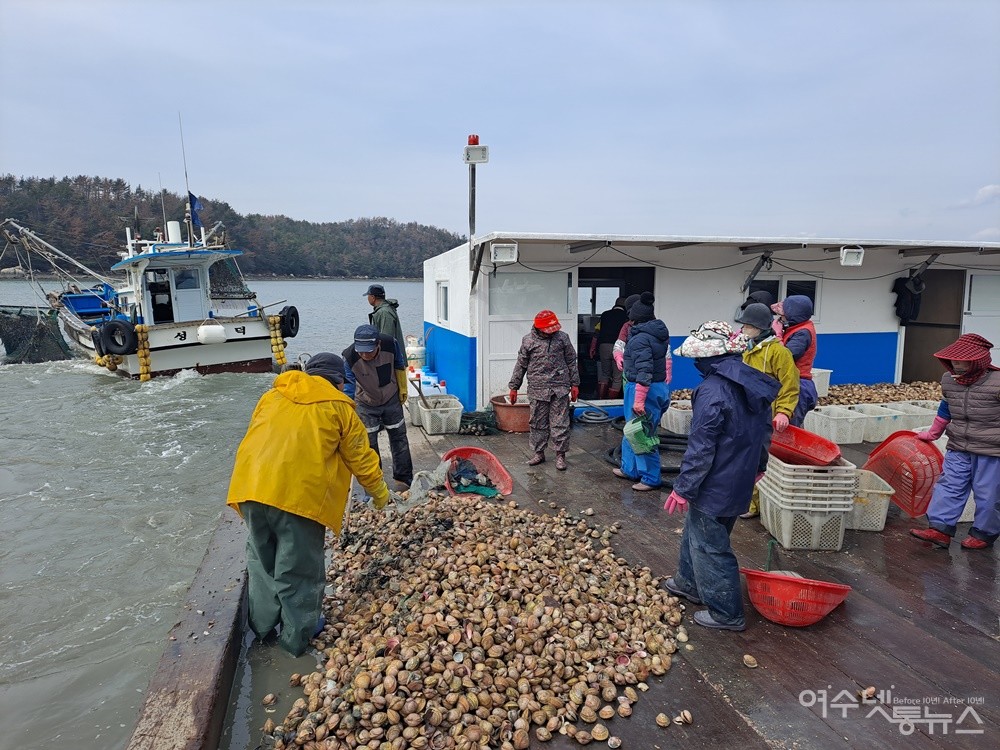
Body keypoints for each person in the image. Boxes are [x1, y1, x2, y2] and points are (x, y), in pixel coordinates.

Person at [226, 352, 391, 656]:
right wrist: (381, 495)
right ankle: (296, 639)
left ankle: (262, 629)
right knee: (298, 569)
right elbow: (362, 459)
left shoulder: (272, 395)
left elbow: (258, 435)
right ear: (340, 382)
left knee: (262, 562)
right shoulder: (340, 409)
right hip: (297, 498)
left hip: (250, 488)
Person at [661, 321, 779, 631]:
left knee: (711, 547)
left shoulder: (712, 390)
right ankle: (688, 583)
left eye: (698, 359)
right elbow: (764, 432)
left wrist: (683, 488)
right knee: (699, 534)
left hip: (715, 482)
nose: (696, 364)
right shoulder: (755, 382)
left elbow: (702, 447)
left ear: (711, 358)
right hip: (740, 476)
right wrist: (760, 467)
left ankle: (726, 612)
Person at [909, 333, 1000, 550]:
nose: (956, 363)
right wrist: (933, 433)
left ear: (977, 360)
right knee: (949, 485)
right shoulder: (949, 380)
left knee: (988, 494)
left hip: (991, 449)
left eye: (962, 360)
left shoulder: (997, 382)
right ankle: (939, 529)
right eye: (953, 359)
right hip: (959, 446)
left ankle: (983, 534)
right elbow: (945, 409)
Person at [735, 303, 800, 519]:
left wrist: (783, 411)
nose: (743, 328)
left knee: (759, 459)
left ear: (760, 327)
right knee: (743, 457)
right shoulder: (746, 347)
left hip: (766, 415)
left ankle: (753, 505)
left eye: (747, 325)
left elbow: (790, 385)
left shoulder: (779, 352)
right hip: (745, 412)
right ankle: (744, 500)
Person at [612, 292, 671, 492]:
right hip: (658, 386)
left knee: (642, 434)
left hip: (643, 389)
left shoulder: (640, 339)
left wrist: (638, 400)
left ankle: (650, 478)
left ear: (634, 318)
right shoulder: (658, 333)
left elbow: (644, 372)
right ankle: (629, 469)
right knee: (632, 430)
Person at [343, 324, 414, 489]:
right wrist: (348, 412)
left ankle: (404, 480)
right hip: (365, 402)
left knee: (399, 439)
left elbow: (399, 362)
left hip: (391, 397)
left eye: (369, 350)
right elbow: (348, 388)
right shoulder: (349, 357)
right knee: (369, 444)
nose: (364, 354)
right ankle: (375, 484)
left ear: (378, 345)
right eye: (361, 350)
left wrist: (403, 386)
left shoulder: (390, 343)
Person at [508, 310, 580, 471]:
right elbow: (521, 365)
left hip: (560, 387)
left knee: (560, 423)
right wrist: (514, 387)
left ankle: (560, 455)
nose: (552, 332)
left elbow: (571, 360)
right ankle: (538, 453)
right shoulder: (528, 341)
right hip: (537, 388)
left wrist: (575, 384)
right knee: (537, 423)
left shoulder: (563, 338)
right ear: (539, 328)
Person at [771, 295, 818, 426]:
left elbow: (785, 357)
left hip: (799, 386)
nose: (781, 319)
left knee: (788, 429)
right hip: (793, 383)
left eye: (783, 316)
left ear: (794, 316)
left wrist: (777, 335)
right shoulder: (796, 327)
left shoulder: (803, 333)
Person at [591, 296, 630, 399]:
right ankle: (611, 401)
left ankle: (601, 400)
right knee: (617, 378)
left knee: (605, 374)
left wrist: (592, 347)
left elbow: (597, 332)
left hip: (604, 346)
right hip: (619, 348)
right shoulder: (627, 317)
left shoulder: (605, 315)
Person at [364, 283, 406, 355]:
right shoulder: (382, 310)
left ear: (373, 297)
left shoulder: (384, 312)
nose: (367, 298)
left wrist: (383, 359)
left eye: (368, 296)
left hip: (390, 359)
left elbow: (387, 338)